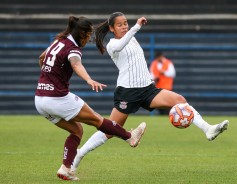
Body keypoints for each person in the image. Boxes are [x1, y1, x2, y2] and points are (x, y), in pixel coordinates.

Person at [71, 12, 229, 173]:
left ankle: (207, 129)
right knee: (110, 130)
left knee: (179, 99)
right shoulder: (112, 44)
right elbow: (121, 45)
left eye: (126, 23)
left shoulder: (131, 37)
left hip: (147, 89)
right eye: (120, 24)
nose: (124, 26)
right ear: (111, 28)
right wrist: (136, 27)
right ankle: (79, 155)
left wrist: (133, 31)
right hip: (128, 92)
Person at [34, 15, 146, 181]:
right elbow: (76, 64)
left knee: (77, 130)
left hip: (40, 100)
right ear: (82, 33)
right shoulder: (72, 47)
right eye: (88, 35)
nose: (89, 39)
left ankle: (66, 168)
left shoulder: (58, 41)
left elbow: (42, 58)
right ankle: (130, 137)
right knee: (97, 120)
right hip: (57, 98)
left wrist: (50, 76)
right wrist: (88, 79)